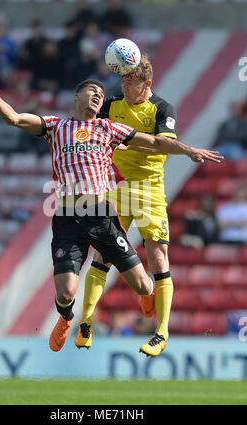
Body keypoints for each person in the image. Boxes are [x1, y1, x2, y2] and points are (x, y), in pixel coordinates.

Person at [0, 76, 222, 354]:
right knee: (65, 293)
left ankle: (148, 293)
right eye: (92, 91)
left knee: (144, 284)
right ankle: (66, 317)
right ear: (77, 97)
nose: (99, 95)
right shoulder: (55, 126)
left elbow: (156, 143)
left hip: (101, 215)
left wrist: (188, 150)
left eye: (101, 93)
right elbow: (14, 118)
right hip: (67, 217)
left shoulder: (107, 127)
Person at [75, 55, 189, 357]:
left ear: (146, 84)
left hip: (150, 188)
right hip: (118, 187)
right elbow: (85, 123)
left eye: (131, 82)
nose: (125, 86)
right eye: (123, 80)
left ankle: (161, 332)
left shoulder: (163, 109)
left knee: (158, 257)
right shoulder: (112, 105)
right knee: (102, 253)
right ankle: (85, 322)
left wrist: (127, 141)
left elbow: (164, 144)